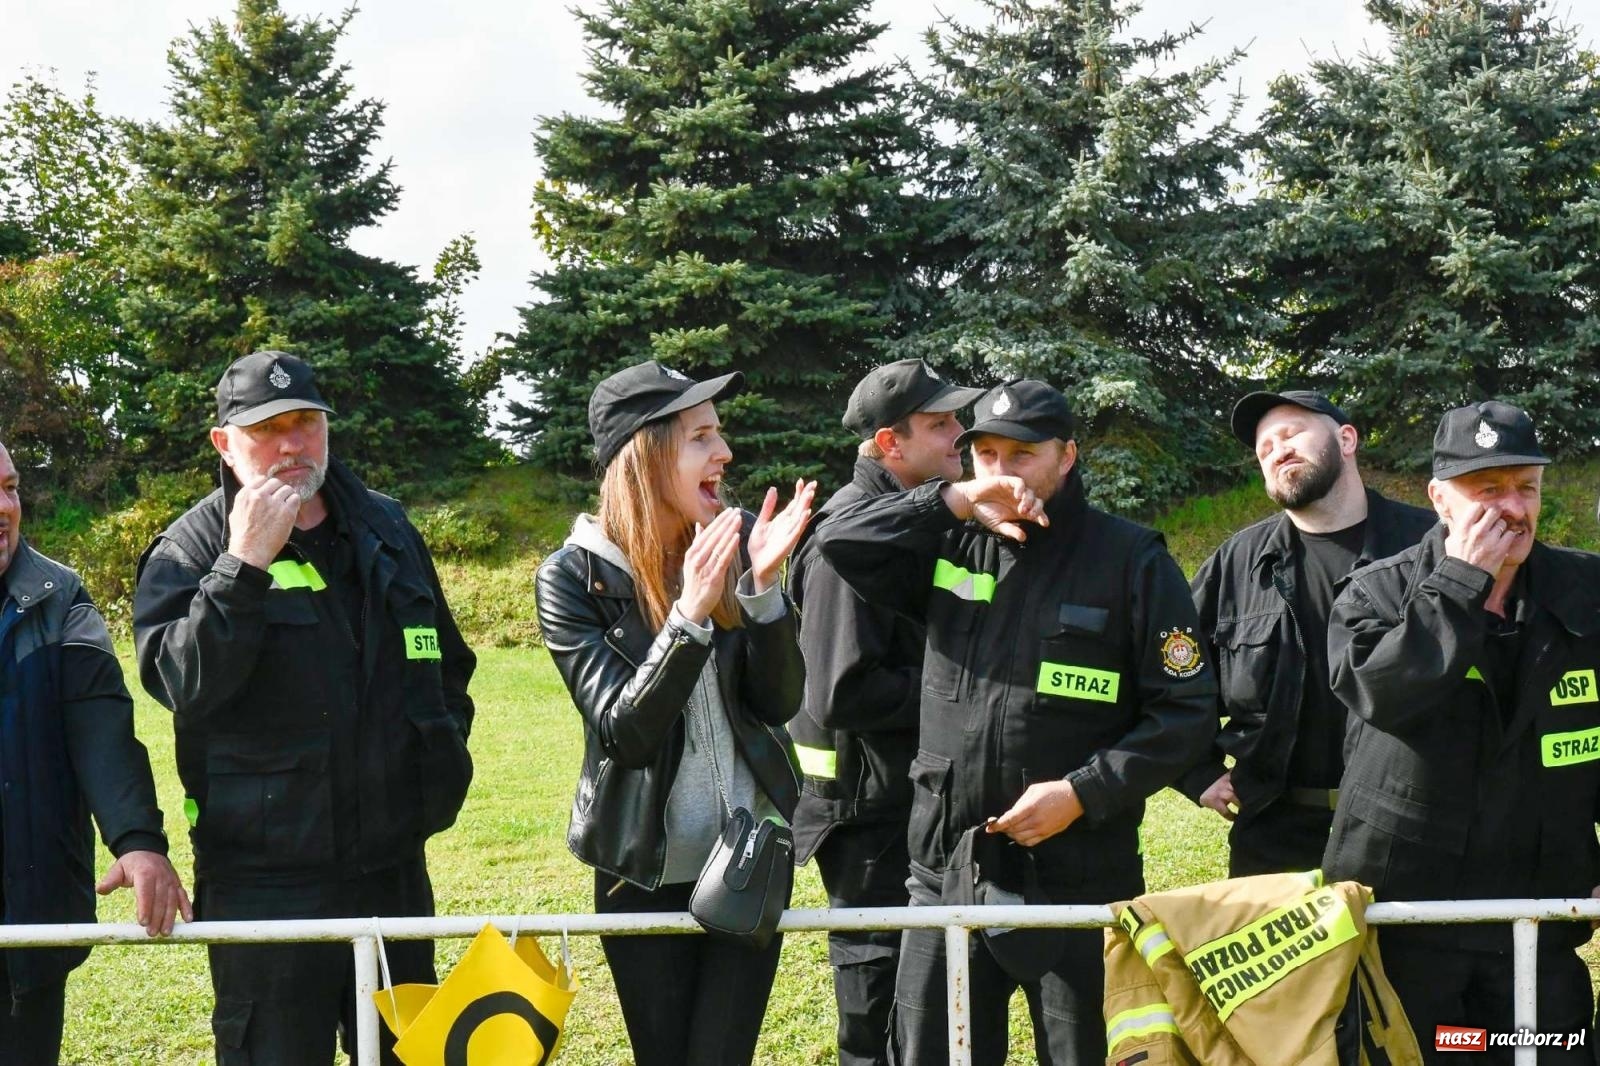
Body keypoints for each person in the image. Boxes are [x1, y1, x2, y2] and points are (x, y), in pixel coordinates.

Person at [814, 379, 1217, 1066]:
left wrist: (1082, 793)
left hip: (1079, 878)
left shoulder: (1131, 561)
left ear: (1066, 456)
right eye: (986, 454)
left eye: (1021, 455)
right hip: (946, 872)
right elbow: (839, 539)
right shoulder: (951, 542)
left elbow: (1184, 714)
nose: (1001, 471)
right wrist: (951, 500)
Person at [133, 351, 475, 1065]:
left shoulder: (385, 528)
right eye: (268, 428)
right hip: (266, 888)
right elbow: (180, 684)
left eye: (307, 423)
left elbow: (449, 665)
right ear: (225, 445)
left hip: (392, 872)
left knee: (410, 1056)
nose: (293, 444)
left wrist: (435, 762)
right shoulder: (191, 549)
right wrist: (244, 566)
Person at [534, 361, 816, 1066]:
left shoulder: (728, 541)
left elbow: (779, 703)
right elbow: (626, 732)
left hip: (747, 860)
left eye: (718, 435)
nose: (723, 453)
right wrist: (689, 614)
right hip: (642, 877)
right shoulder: (573, 578)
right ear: (645, 455)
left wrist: (763, 594)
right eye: (700, 437)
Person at [1323, 400, 1600, 1061]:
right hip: (1412, 927)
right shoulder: (1375, 595)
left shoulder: (1586, 590)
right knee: (1440, 1055)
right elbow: (1384, 693)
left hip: (1540, 923)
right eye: (1486, 491)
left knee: (1547, 1054)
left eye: (1524, 488)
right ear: (1439, 500)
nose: (1511, 509)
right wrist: (1461, 582)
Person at [787, 359, 982, 1066]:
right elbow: (840, 691)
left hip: (895, 797)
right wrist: (959, 695)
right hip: (865, 816)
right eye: (941, 425)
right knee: (874, 1013)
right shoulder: (850, 537)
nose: (960, 435)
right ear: (890, 445)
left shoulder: (909, 514)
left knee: (917, 1005)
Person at [1181, 390, 1433, 875]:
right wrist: (1196, 772)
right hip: (1276, 837)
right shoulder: (1237, 565)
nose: (1278, 449)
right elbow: (1174, 679)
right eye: (1264, 448)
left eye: (1292, 433)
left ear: (1347, 439)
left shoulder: (1430, 546)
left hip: (1411, 832)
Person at [0, 441, 190, 1065]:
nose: (4, 507)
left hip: (30, 909)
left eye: (9, 488)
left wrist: (137, 840)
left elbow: (101, 727)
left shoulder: (59, 598)